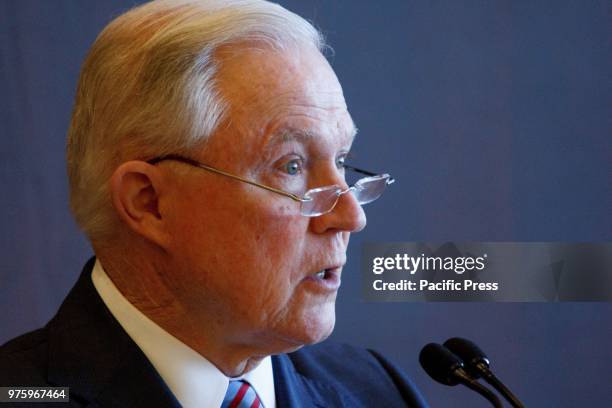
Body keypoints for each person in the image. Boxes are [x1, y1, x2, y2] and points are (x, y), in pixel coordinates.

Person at [0, 1, 428, 406]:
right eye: (291, 166)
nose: (350, 216)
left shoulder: (375, 392)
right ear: (149, 203)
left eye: (341, 161)